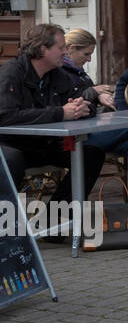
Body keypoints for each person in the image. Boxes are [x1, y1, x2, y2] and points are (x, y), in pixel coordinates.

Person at [0, 24, 104, 202]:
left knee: (91, 154)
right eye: (61, 48)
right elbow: (5, 117)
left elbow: (82, 98)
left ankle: (55, 219)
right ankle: (8, 223)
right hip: (12, 144)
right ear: (42, 49)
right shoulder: (11, 74)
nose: (65, 52)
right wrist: (61, 113)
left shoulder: (56, 74)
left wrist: (82, 107)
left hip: (43, 143)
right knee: (10, 160)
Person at [62, 29, 128, 205]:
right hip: (79, 135)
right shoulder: (60, 70)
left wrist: (98, 96)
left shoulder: (77, 70)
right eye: (87, 54)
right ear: (71, 49)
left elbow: (82, 92)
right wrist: (94, 92)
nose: (89, 59)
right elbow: (68, 98)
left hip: (91, 128)